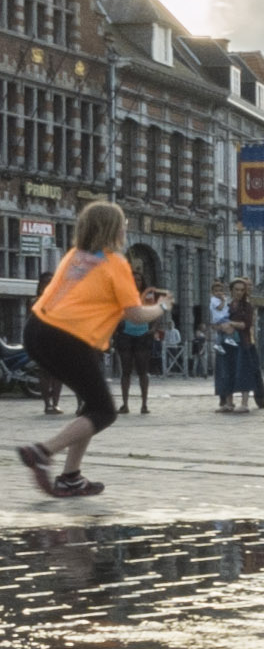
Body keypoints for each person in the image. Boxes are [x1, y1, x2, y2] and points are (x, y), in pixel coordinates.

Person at [15, 201, 173, 497]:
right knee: (104, 411)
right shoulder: (115, 263)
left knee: (91, 403)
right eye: (123, 223)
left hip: (36, 329)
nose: (126, 227)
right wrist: (161, 307)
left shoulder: (76, 256)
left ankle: (71, 476)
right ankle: (43, 452)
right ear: (114, 228)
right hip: (67, 336)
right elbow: (135, 314)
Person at [218, 278, 264, 412]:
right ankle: (228, 402)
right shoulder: (228, 305)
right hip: (227, 342)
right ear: (231, 291)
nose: (239, 292)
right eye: (236, 290)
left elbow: (246, 324)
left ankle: (245, 403)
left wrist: (231, 324)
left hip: (243, 342)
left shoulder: (247, 306)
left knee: (244, 372)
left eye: (242, 290)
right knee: (228, 372)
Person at [114, 273, 156, 415]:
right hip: (126, 334)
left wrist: (153, 328)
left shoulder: (148, 295)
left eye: (139, 279)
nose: (136, 282)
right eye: (133, 279)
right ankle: (125, 404)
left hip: (142, 334)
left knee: (143, 371)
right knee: (126, 371)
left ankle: (144, 404)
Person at [34, 272, 63, 415]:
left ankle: (55, 403)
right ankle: (47, 404)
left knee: (58, 374)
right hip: (42, 339)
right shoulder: (36, 301)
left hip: (58, 340)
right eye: (46, 282)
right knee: (44, 373)